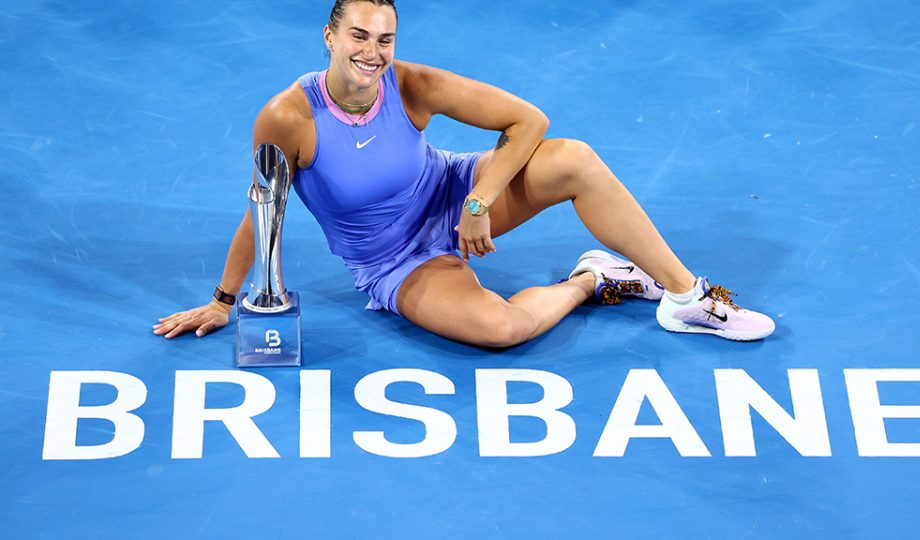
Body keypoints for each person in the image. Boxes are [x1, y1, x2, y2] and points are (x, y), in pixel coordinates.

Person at [153, 0, 775, 347]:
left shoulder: (410, 83)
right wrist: (224, 301)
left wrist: (478, 199)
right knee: (500, 329)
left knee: (575, 160)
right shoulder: (287, 118)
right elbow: (264, 212)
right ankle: (592, 281)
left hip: (451, 198)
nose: (373, 52)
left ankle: (685, 297)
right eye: (359, 36)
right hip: (394, 262)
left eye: (386, 38)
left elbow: (527, 121)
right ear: (329, 36)